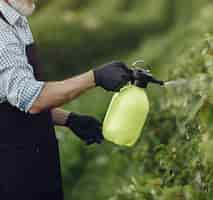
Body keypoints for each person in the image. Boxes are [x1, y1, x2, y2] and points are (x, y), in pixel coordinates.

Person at [0, 0, 133, 199]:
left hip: (35, 160)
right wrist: (95, 78)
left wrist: (69, 119)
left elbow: (14, 101)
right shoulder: (2, 33)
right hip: (11, 172)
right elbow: (33, 98)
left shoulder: (17, 21)